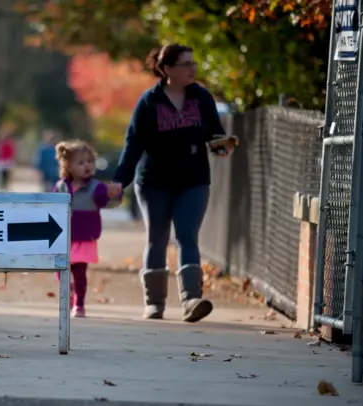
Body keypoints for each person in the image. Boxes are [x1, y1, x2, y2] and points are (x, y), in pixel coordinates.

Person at [109, 44, 235, 323]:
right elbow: (133, 144)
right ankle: (154, 303)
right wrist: (120, 181)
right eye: (186, 64)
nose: (193, 69)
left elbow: (214, 133)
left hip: (193, 180)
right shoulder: (149, 102)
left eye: (194, 63)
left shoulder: (201, 98)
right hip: (154, 181)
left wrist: (221, 146)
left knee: (187, 236)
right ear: (167, 69)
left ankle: (192, 299)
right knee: (157, 238)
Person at [53, 140, 122, 318]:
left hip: (84, 237)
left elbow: (106, 202)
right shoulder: (61, 187)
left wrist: (114, 194)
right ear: (68, 165)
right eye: (81, 162)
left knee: (80, 273)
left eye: (90, 162)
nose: (87, 166)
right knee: (62, 271)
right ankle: (67, 293)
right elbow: (52, 207)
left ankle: (80, 303)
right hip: (62, 237)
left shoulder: (96, 187)